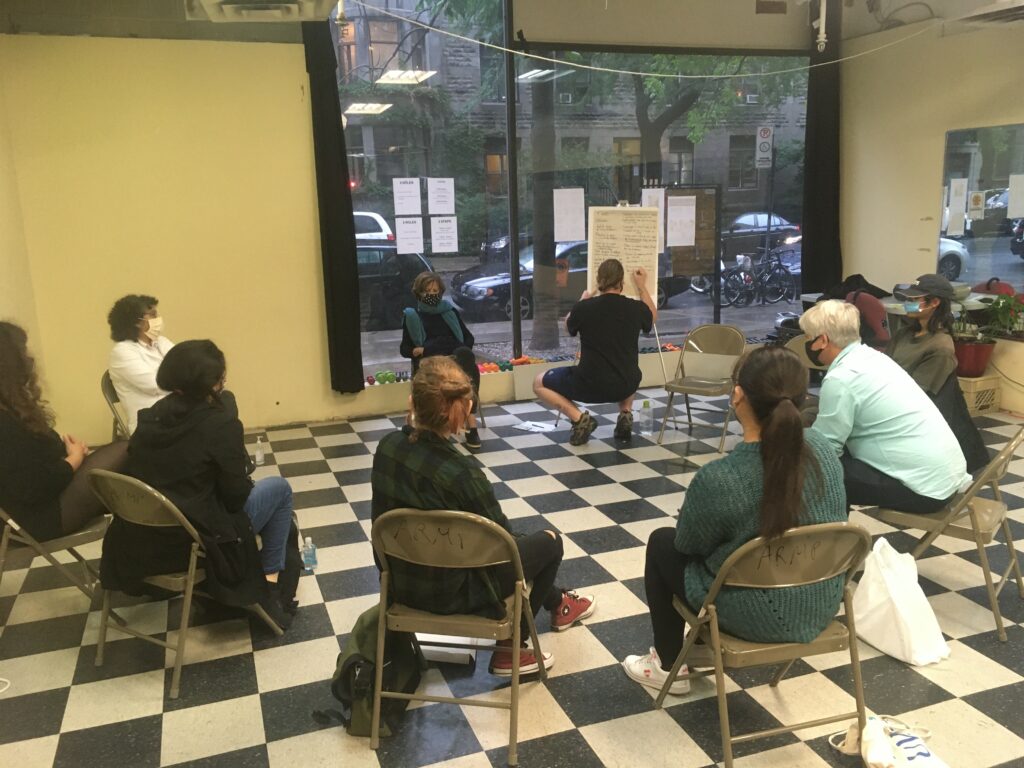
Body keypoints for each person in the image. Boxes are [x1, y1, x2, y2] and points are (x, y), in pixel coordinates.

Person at [622, 346, 847, 695]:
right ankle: (692, 648)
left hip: (752, 612)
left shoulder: (721, 479)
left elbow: (687, 544)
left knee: (663, 543)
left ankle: (668, 666)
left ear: (737, 395)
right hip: (820, 602)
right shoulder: (825, 453)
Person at [371, 356, 595, 676]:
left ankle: (557, 599)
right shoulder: (463, 473)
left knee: (517, 545)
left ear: (415, 400)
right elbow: (502, 549)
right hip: (456, 594)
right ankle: (510, 649)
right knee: (548, 543)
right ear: (460, 409)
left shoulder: (387, 447)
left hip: (401, 583)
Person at [99, 340, 297, 627]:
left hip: (142, 538)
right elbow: (235, 498)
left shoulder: (150, 417)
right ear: (216, 383)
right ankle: (268, 584)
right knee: (279, 489)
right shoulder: (220, 424)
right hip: (197, 538)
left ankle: (265, 579)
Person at [799, 300, 970, 513]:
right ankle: (839, 537)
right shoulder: (874, 358)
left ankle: (833, 541)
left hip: (923, 490)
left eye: (808, 337)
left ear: (823, 340)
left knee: (810, 470)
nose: (807, 344)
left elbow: (825, 451)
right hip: (945, 478)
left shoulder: (841, 378)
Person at [0, 321, 129, 541]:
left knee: (130, 460)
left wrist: (69, 450)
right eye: (23, 351)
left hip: (40, 504)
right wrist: (74, 459)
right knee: (128, 450)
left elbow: (36, 455)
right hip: (34, 521)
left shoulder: (10, 409)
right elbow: (34, 486)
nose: (29, 358)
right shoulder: (4, 421)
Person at [533, 259, 655, 445]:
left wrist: (581, 301)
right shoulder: (635, 308)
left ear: (599, 280)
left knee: (538, 382)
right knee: (629, 368)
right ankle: (625, 414)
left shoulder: (584, 308)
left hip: (589, 386)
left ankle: (580, 419)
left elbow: (568, 326)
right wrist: (641, 287)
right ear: (622, 282)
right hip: (625, 385)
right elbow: (651, 318)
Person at [889, 274, 989, 473]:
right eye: (907, 299)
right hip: (894, 406)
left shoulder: (941, 347)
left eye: (913, 300)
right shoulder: (903, 334)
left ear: (934, 302)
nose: (908, 303)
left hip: (917, 424)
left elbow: (917, 397)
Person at [400, 272, 481, 450]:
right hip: (430, 367)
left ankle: (470, 420)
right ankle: (464, 421)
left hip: (455, 361)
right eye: (427, 291)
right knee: (457, 361)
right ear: (419, 293)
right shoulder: (413, 316)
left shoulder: (449, 312)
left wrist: (431, 347)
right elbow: (405, 349)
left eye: (435, 290)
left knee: (465, 356)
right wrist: (419, 350)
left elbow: (468, 339)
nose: (432, 294)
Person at [107, 294, 174, 433]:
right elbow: (156, 384)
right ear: (137, 321)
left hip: (175, 414)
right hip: (151, 425)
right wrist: (187, 382)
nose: (158, 319)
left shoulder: (161, 342)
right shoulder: (122, 352)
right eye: (153, 314)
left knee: (223, 400)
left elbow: (190, 366)